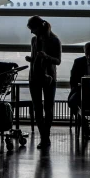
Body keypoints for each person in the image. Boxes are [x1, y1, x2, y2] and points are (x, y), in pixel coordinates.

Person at [25, 16, 62, 149]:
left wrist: (46, 57)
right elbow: (37, 57)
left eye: (32, 29)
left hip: (48, 78)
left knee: (47, 108)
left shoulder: (54, 40)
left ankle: (45, 136)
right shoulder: (34, 40)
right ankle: (44, 136)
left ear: (39, 28)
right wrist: (32, 59)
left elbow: (58, 61)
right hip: (34, 77)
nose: (31, 32)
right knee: (38, 108)